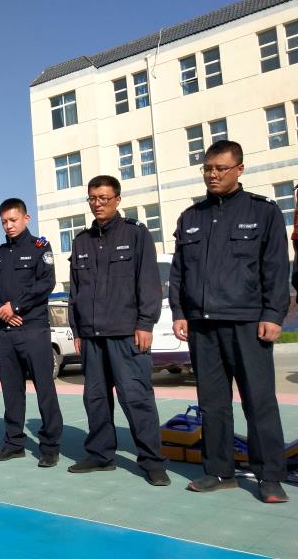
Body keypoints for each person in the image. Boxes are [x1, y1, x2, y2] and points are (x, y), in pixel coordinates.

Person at [170, 140, 289, 503]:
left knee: (259, 401)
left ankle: (269, 476)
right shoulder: (191, 217)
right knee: (212, 404)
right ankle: (219, 472)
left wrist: (273, 314)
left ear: (239, 169)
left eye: (220, 168)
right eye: (207, 168)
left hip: (247, 323)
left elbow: (275, 267)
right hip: (203, 326)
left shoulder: (263, 211)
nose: (213, 174)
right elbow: (178, 272)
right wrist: (179, 312)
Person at [66, 178, 169, 485]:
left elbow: (148, 281)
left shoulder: (136, 234)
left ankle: (152, 461)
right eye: (92, 198)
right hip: (92, 336)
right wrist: (77, 331)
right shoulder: (81, 241)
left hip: (127, 333)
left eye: (104, 198)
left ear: (117, 199)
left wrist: (145, 324)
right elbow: (75, 291)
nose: (98, 203)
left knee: (136, 398)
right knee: (95, 399)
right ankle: (100, 455)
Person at [0, 198, 63, 467]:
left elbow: (46, 283)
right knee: (11, 391)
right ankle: (14, 443)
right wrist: (0, 310)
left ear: (26, 218)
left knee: (44, 389)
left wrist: (15, 306)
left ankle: (50, 446)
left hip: (33, 329)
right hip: (5, 332)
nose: (9, 225)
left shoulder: (40, 248)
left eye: (13, 220)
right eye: (4, 221)